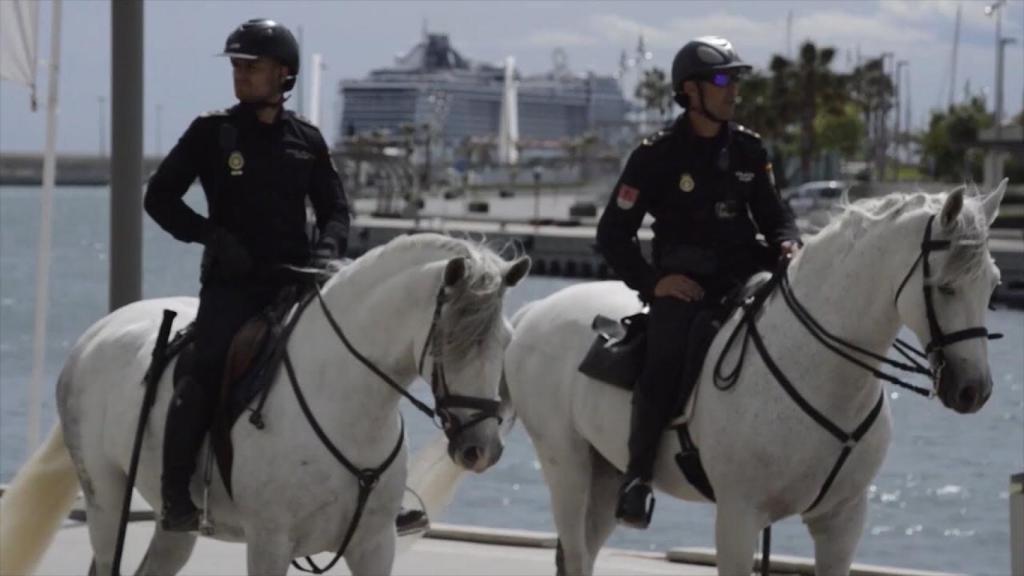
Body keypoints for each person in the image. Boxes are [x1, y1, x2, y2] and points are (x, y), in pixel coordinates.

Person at [144, 18, 349, 532]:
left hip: (298, 283)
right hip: (233, 285)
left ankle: (376, 490)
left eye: (251, 67)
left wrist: (326, 252)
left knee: (354, 359)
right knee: (205, 364)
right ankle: (176, 495)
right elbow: (159, 198)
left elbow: (336, 211)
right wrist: (211, 236)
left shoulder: (308, 138)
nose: (240, 76)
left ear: (284, 73)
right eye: (236, 66)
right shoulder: (211, 132)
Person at [595, 36, 801, 529]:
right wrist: (653, 284)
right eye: (725, 80)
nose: (735, 92)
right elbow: (613, 234)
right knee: (664, 359)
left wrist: (789, 243)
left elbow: (775, 216)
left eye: (737, 80)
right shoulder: (655, 156)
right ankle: (638, 477)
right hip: (683, 284)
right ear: (690, 90)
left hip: (744, 275)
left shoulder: (750, 149)